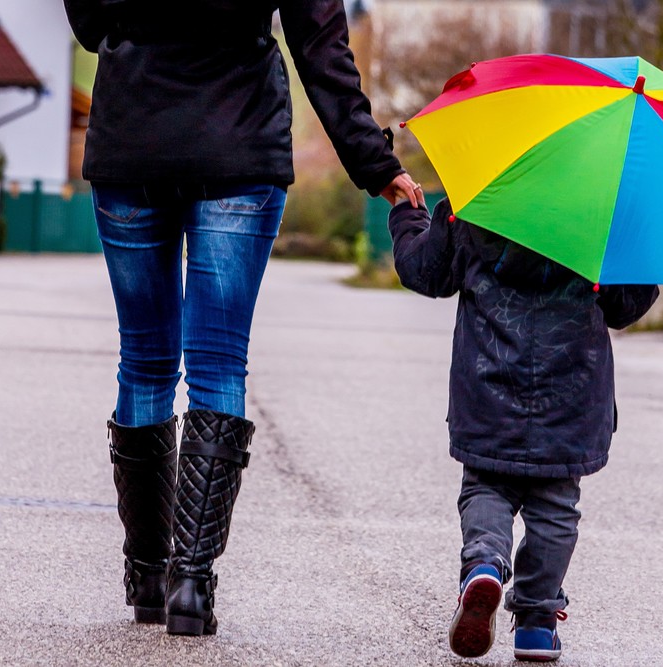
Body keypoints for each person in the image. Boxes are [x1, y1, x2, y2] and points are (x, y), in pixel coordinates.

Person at [63, 0, 423, 637]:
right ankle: (191, 587)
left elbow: (92, 27)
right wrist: (378, 165)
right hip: (240, 142)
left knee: (144, 363)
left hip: (133, 140)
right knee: (218, 364)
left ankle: (147, 573)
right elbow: (321, 48)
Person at [388, 197, 658, 661]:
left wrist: (405, 215)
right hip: (571, 391)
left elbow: (426, 273)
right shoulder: (605, 208)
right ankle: (535, 623)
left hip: (487, 383)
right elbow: (625, 306)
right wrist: (636, 248)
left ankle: (485, 564)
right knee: (555, 507)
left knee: (487, 485)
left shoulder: (477, 198)